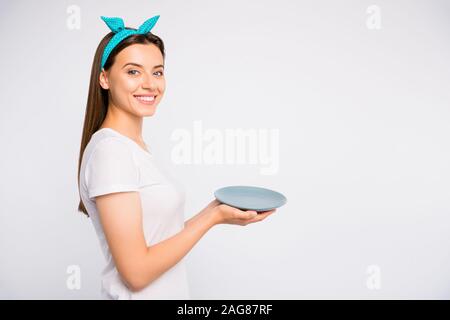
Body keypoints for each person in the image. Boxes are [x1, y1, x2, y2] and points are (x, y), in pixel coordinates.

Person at [76, 15, 276, 300]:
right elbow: (136, 273)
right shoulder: (111, 152)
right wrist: (212, 218)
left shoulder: (133, 147)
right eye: (133, 72)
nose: (150, 84)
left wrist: (214, 211)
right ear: (105, 78)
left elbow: (157, 241)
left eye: (157, 72)